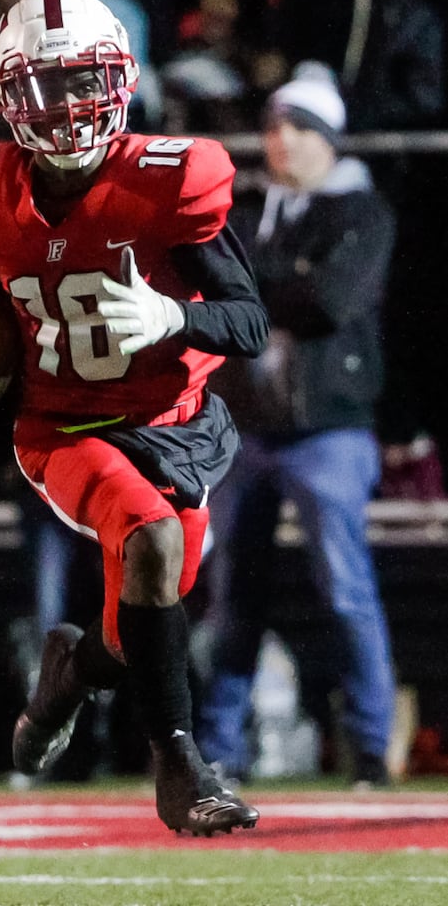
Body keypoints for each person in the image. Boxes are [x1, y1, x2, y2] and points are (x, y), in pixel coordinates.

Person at [0, 0, 268, 835]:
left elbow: (247, 322)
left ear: (120, 80)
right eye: (43, 85)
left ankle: (70, 673)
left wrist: (174, 316)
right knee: (148, 537)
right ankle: (181, 763)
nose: (66, 106)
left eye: (81, 82)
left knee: (137, 623)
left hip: (172, 425)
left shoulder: (167, 182)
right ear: (6, 98)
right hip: (61, 426)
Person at [197, 66, 397, 789]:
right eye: (274, 125)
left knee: (344, 587)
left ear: (327, 139)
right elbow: (217, 289)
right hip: (248, 428)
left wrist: (258, 286)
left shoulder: (362, 212)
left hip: (327, 429)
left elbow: (329, 300)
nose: (281, 140)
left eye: (298, 127)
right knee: (231, 595)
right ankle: (219, 749)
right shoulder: (247, 209)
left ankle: (371, 746)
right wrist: (281, 280)